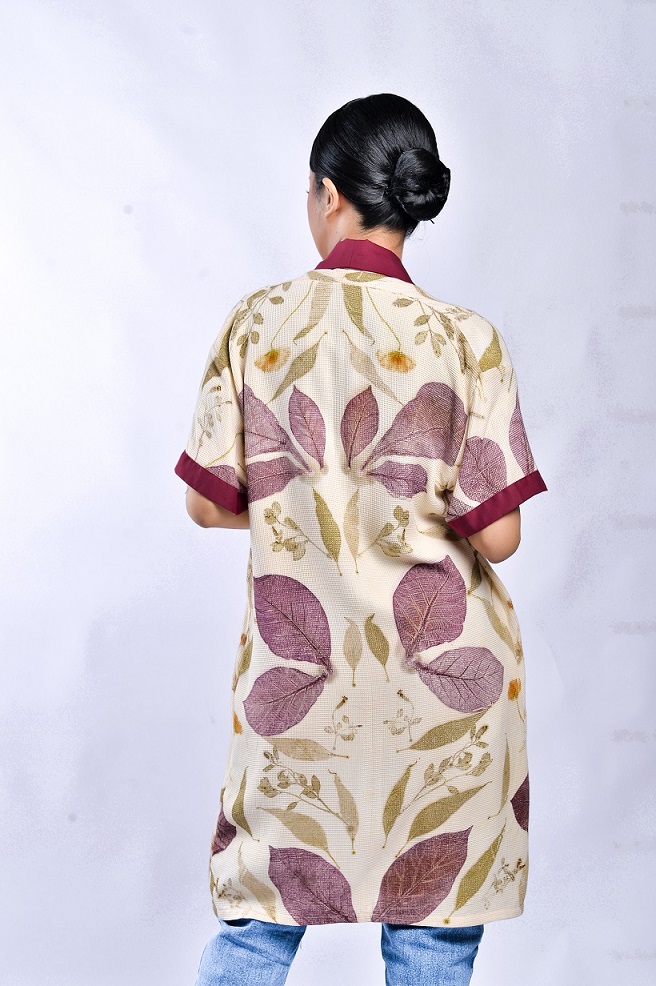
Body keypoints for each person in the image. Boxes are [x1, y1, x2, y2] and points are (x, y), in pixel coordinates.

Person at [175, 93, 548, 986]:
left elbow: (207, 504)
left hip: (298, 688)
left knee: (258, 918)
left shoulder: (257, 321)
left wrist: (307, 501)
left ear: (329, 193)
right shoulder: (466, 339)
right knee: (433, 934)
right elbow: (499, 536)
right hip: (445, 691)